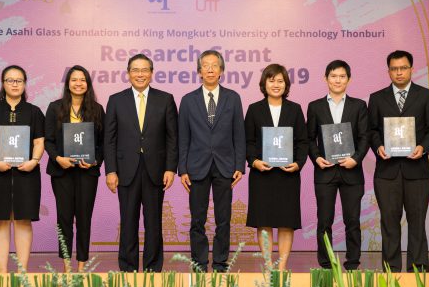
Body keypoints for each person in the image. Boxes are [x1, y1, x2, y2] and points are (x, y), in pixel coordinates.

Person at [368, 50, 429, 272]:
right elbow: (371, 130)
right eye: (394, 69)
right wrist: (378, 146)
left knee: (417, 222)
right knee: (389, 222)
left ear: (411, 69)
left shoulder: (427, 96)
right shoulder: (377, 98)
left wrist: (423, 147)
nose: (399, 72)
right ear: (388, 71)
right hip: (387, 172)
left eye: (403, 68)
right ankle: (391, 271)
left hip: (416, 170)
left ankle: (418, 271)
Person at [104, 54, 178, 272]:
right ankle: (128, 268)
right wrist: (110, 171)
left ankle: (152, 268)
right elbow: (109, 139)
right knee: (128, 220)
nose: (140, 74)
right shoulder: (116, 100)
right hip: (126, 170)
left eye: (144, 70)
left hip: (156, 170)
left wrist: (170, 168)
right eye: (135, 70)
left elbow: (172, 138)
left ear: (151, 73)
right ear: (128, 74)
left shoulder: (165, 99)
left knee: (154, 221)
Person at [179, 49, 246, 272]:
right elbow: (183, 137)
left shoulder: (233, 98)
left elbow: (239, 134)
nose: (210, 69)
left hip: (225, 166)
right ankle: (199, 262)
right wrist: (182, 169)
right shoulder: (188, 100)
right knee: (197, 219)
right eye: (205, 66)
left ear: (221, 71)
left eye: (214, 65)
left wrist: (239, 165)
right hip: (196, 167)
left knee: (223, 219)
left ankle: (220, 262)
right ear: (199, 72)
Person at [0, 65, 45, 273]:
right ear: (3, 83)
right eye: (10, 80)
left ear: (24, 84)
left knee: (23, 220)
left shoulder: (34, 111)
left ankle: (22, 272)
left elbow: (39, 142)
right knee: (0, 220)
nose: (14, 84)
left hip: (27, 173)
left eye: (19, 80)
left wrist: (34, 161)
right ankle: (2, 272)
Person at [306, 60, 369, 270]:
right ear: (326, 79)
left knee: (352, 220)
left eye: (342, 76)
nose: (338, 80)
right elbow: (309, 138)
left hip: (352, 172)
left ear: (349, 79)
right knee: (324, 221)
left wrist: (356, 159)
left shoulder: (359, 106)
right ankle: (326, 264)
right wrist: (316, 158)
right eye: (333, 76)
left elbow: (365, 137)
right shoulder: (315, 106)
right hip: (325, 172)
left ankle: (352, 263)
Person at [245, 64, 308, 270]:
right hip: (261, 174)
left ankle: (281, 267)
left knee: (286, 222)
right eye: (271, 80)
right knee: (264, 221)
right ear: (264, 83)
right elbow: (248, 141)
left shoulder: (295, 109)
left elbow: (303, 141)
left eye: (280, 81)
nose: (276, 85)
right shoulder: (254, 109)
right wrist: (254, 161)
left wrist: (298, 163)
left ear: (286, 84)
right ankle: (268, 266)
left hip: (288, 175)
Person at [45, 65, 104, 272]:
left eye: (82, 80)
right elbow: (48, 140)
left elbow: (103, 143)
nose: (78, 83)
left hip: (87, 172)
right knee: (64, 218)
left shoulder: (97, 109)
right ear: (67, 83)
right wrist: (57, 158)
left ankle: (81, 265)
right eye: (74, 80)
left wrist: (95, 161)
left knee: (84, 218)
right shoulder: (55, 108)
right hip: (62, 172)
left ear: (88, 83)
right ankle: (67, 266)